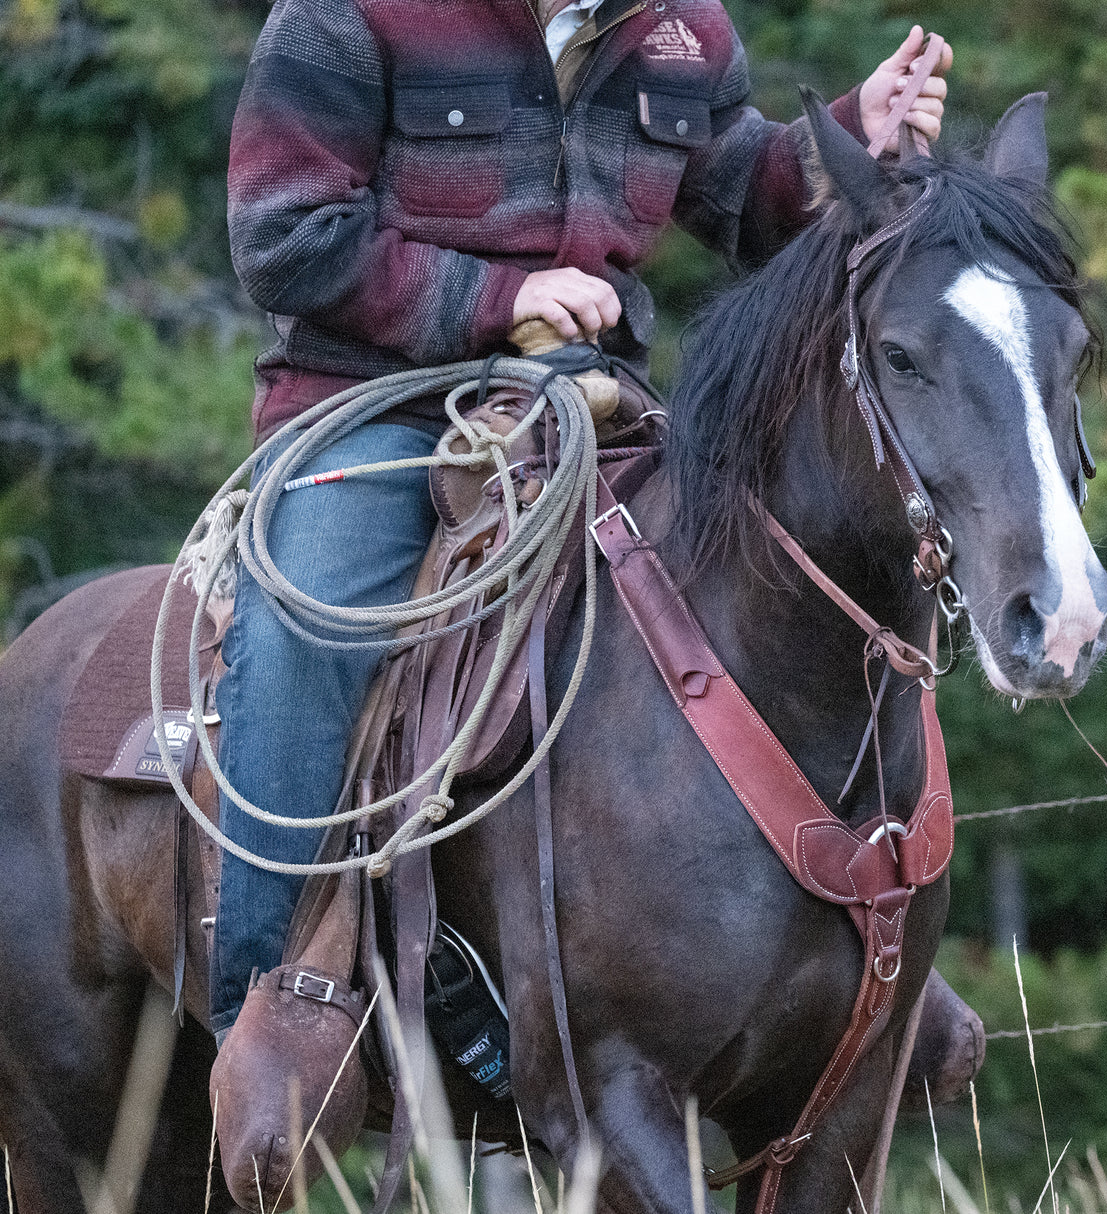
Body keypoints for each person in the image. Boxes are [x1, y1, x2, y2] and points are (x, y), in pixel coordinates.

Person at [210, 0, 952, 1188]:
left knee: (769, 576)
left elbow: (739, 195)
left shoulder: (680, 31)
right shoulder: (348, 19)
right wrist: (497, 300)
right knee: (305, 628)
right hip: (374, 410)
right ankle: (271, 1003)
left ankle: (850, 942)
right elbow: (283, 234)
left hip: (593, 411)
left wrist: (839, 147)